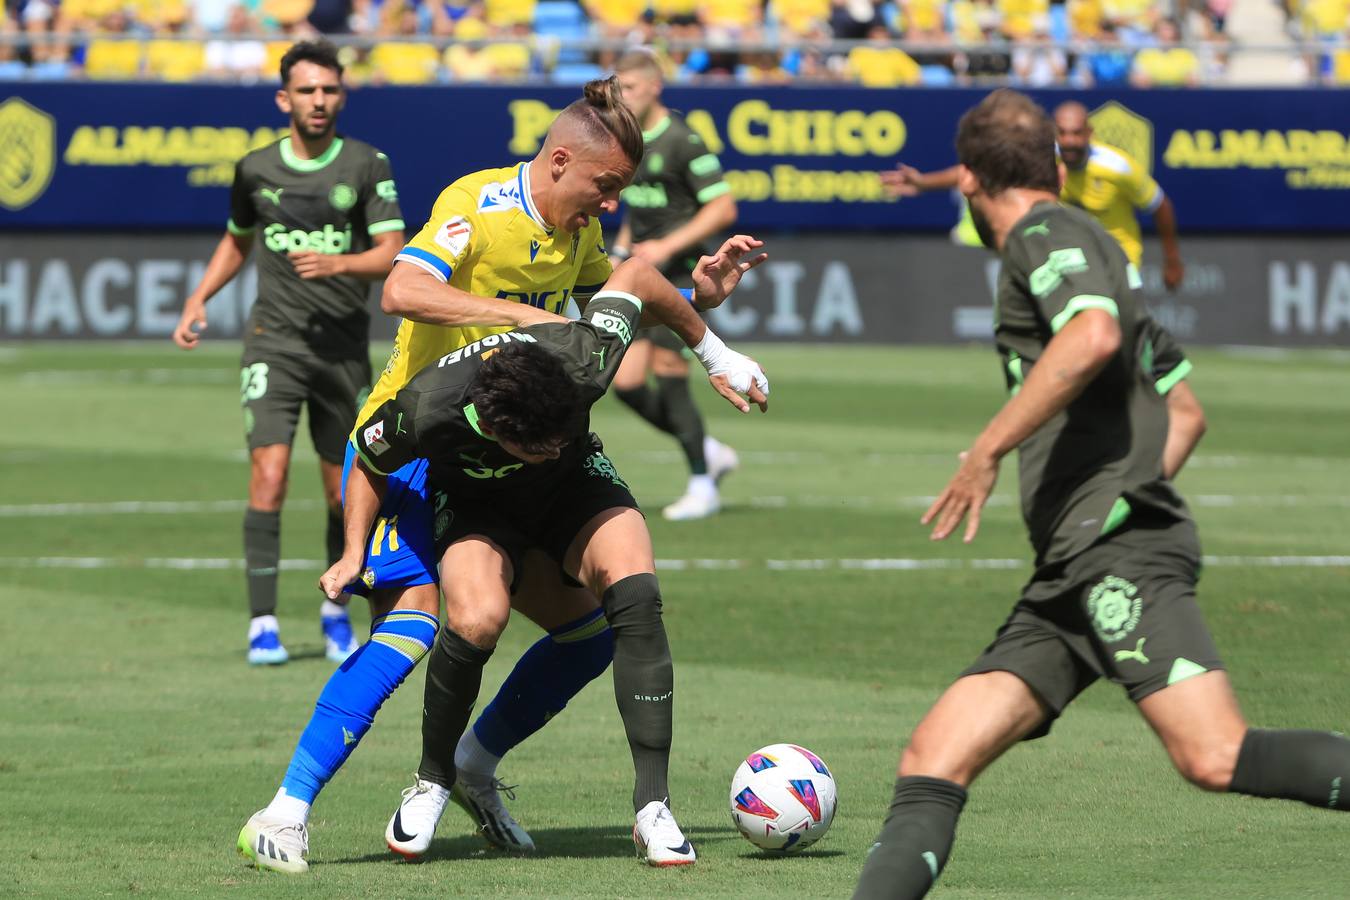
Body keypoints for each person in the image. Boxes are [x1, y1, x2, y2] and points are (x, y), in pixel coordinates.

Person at [852, 89, 1350, 900]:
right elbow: (1184, 410)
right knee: (932, 758)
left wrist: (990, 451)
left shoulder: (1043, 235)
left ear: (970, 180)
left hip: (1112, 553)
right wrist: (1121, 494)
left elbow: (1093, 336)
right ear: (1053, 161)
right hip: (1072, 571)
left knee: (1215, 754)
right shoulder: (1103, 259)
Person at [241, 242, 769, 874]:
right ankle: (428, 781)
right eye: (534, 445)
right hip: (475, 507)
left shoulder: (585, 355)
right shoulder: (430, 408)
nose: (547, 447)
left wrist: (715, 351)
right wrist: (353, 549)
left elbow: (635, 277)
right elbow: (371, 458)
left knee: (631, 601)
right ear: (492, 427)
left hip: (575, 487)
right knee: (471, 619)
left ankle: (652, 807)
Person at [172, 40, 404, 666]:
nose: (319, 101)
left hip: (343, 352)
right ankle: (262, 624)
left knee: (342, 492)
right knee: (268, 477)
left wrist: (340, 263)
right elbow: (236, 240)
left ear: (342, 95)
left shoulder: (365, 164)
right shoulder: (254, 170)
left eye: (329, 89)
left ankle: (334, 611)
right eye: (307, 90)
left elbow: (391, 254)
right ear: (284, 99)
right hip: (273, 343)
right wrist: (199, 298)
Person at [610, 49, 741, 521]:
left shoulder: (685, 140)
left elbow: (723, 208)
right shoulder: (629, 140)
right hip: (641, 271)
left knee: (669, 368)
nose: (621, 98)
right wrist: (623, 250)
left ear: (653, 87)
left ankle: (702, 483)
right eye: (617, 88)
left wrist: (666, 247)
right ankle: (707, 448)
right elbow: (638, 209)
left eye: (628, 88)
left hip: (684, 271)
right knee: (624, 383)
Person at [881, 100, 1186, 289]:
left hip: (1119, 262)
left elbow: (1161, 206)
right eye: (1063, 133)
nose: (1069, 141)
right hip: (1068, 260)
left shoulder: (1117, 167)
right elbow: (980, 170)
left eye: (1076, 133)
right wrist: (923, 183)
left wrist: (1172, 260)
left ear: (1089, 133)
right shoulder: (1042, 157)